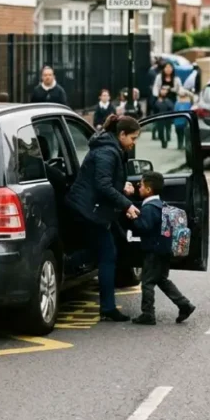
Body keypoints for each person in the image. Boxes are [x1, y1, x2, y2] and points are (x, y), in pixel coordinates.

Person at [65, 115, 142, 322]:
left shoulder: (109, 148)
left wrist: (121, 188)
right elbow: (102, 185)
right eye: (133, 138)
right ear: (122, 134)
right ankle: (107, 307)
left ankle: (67, 264)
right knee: (108, 254)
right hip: (87, 210)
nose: (134, 143)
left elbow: (105, 182)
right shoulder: (108, 152)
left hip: (91, 208)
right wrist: (127, 204)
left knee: (101, 251)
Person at [129, 172, 196, 325]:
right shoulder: (160, 205)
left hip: (154, 251)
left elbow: (143, 227)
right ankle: (184, 305)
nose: (139, 188)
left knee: (147, 282)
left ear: (148, 190)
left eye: (141, 185)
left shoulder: (149, 208)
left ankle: (148, 314)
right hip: (164, 249)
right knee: (161, 280)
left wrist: (133, 217)